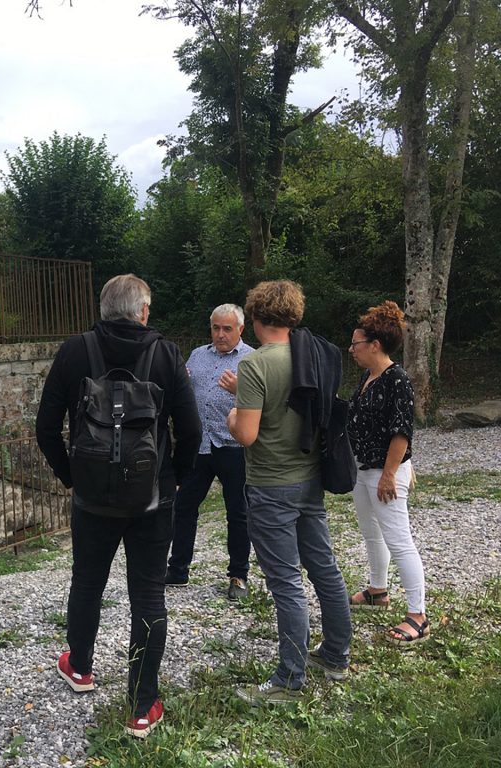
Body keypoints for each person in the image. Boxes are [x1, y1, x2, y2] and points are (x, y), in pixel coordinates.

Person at [36, 274, 201, 738]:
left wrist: (72, 477)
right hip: (152, 498)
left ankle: (81, 667)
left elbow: (45, 428)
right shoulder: (166, 354)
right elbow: (190, 431)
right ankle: (141, 706)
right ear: (143, 311)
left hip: (92, 498)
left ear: (104, 308)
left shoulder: (74, 351)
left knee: (88, 582)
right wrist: (174, 477)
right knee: (148, 594)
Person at [227, 280, 352, 704]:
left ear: (256, 318)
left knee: (285, 582)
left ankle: (289, 680)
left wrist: (231, 415)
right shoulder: (312, 355)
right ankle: (335, 655)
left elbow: (246, 434)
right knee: (324, 569)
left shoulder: (255, 364)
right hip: (310, 479)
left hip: (270, 485)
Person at [347, 301, 429, 644]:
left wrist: (388, 475)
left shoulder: (396, 379)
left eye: (356, 343)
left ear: (375, 345)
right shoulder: (368, 377)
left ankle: (418, 615)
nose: (351, 349)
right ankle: (378, 591)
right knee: (371, 533)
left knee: (399, 540)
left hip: (386, 472)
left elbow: (401, 431)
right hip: (363, 470)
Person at [166, 304, 254, 600]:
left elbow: (265, 403)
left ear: (240, 330)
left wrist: (240, 391)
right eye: (215, 328)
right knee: (183, 506)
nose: (220, 334)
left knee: (238, 513)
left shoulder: (252, 359)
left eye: (227, 329)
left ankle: (238, 575)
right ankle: (177, 570)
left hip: (233, 447)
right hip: (200, 446)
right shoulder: (197, 355)